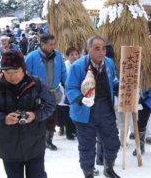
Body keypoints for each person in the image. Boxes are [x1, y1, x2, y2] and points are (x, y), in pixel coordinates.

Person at [0, 49, 56, 178]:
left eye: (16, 71)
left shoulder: (36, 84)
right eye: (8, 72)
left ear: (23, 69)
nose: (12, 76)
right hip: (9, 148)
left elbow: (50, 105)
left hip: (35, 145)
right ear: (2, 71)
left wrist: (35, 115)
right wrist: (3, 119)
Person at [66, 35, 121, 178]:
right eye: (97, 49)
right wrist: (81, 99)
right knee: (87, 147)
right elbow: (70, 88)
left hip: (106, 108)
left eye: (103, 48)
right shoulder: (77, 66)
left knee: (113, 142)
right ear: (88, 49)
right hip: (84, 111)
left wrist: (121, 88)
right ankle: (88, 173)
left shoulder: (108, 62)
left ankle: (108, 169)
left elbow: (113, 81)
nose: (101, 52)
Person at [26, 33, 66, 151]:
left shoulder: (58, 55)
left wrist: (67, 85)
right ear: (42, 44)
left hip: (54, 92)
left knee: (52, 117)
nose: (53, 47)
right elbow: (26, 75)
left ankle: (49, 140)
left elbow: (63, 72)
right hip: (38, 93)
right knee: (38, 117)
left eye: (54, 44)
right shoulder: (31, 57)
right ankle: (37, 140)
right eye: (50, 44)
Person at [57, 46, 79, 140]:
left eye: (76, 54)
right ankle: (67, 131)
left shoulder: (79, 64)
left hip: (75, 92)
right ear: (67, 56)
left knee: (73, 112)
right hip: (64, 92)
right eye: (72, 54)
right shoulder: (65, 66)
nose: (74, 56)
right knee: (65, 113)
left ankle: (72, 131)